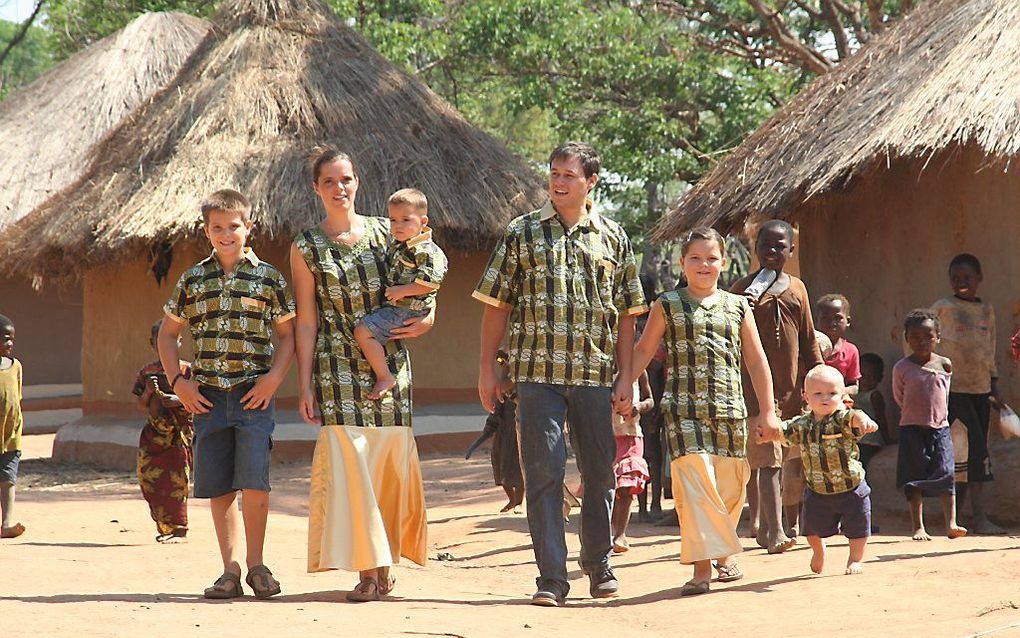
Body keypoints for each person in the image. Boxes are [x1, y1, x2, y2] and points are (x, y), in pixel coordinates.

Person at [474, 141, 647, 607]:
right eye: (554, 173)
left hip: (594, 375)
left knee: (599, 473)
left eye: (569, 175)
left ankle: (598, 563)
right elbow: (496, 306)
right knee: (544, 473)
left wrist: (627, 378)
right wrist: (487, 370)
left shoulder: (614, 237)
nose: (558, 181)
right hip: (535, 376)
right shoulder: (522, 233)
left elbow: (629, 315)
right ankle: (551, 577)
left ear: (591, 181)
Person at [292, 147, 433, 603]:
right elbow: (307, 320)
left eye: (346, 179)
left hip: (389, 361)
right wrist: (304, 382)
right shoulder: (306, 247)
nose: (340, 188)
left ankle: (383, 564)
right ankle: (368, 572)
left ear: (357, 182)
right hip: (335, 365)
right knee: (352, 467)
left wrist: (428, 319)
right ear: (316, 188)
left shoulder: (386, 231)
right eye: (330, 181)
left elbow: (424, 276)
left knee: (385, 465)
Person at [159, 188, 296, 599]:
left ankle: (258, 566)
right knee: (219, 488)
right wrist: (178, 383)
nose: (225, 234)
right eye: (216, 227)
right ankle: (230, 571)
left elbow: (287, 336)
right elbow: (168, 334)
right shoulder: (193, 279)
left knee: (255, 483)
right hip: (208, 398)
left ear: (248, 227)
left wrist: (273, 379)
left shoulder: (268, 277)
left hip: (254, 395)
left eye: (233, 226)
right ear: (206, 231)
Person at [631, 227, 781, 597]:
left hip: (730, 410)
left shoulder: (738, 306)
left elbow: (757, 360)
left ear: (724, 263)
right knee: (696, 481)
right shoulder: (667, 304)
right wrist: (623, 384)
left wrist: (767, 411)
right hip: (683, 411)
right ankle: (702, 569)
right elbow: (643, 350)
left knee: (731, 487)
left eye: (711, 258)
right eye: (695, 258)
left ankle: (722, 552)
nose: (703, 265)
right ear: (682, 264)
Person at [730, 220, 822, 553]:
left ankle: (777, 524)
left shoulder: (797, 290)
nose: (771, 251)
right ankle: (774, 532)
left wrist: (821, 380)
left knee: (790, 461)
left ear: (791, 251)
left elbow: (809, 340)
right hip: (755, 395)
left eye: (779, 246)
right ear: (755, 250)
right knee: (767, 461)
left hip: (791, 394)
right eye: (765, 245)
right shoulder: (740, 291)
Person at [760, 365, 878, 575]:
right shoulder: (802, 424)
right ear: (806, 398)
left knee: (858, 528)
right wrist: (769, 434)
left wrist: (864, 420)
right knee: (811, 531)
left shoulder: (841, 419)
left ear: (842, 396)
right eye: (818, 394)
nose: (825, 398)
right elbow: (784, 431)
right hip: (818, 490)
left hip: (851, 487)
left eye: (832, 393)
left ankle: (854, 559)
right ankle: (818, 551)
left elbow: (855, 417)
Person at [931, 253, 1005, 535]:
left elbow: (991, 348)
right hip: (951, 391)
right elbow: (923, 339)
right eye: (956, 278)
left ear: (979, 279)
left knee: (977, 450)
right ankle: (956, 517)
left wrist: (994, 385)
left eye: (968, 278)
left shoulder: (986, 310)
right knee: (958, 452)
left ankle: (975, 516)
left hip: (980, 390)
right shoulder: (943, 308)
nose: (961, 283)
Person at [353, 188, 447, 400]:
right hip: (398, 305)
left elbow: (431, 282)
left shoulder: (426, 250)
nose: (398, 226)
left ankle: (385, 376)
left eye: (406, 219)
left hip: (405, 309)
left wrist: (402, 290)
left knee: (362, 333)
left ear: (423, 221)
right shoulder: (400, 244)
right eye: (393, 220)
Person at [893, 309, 967, 541]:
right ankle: (918, 526)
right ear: (907, 338)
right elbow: (899, 396)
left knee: (946, 473)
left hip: (940, 428)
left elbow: (945, 395)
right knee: (913, 478)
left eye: (928, 336)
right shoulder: (902, 368)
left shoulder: (945, 365)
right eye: (915, 337)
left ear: (938, 337)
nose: (921, 341)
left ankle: (951, 523)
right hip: (912, 428)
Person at [135, 319, 193, 543]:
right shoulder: (147, 372)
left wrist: (178, 398)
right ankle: (164, 525)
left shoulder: (188, 370)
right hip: (154, 434)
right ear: (152, 343)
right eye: (157, 340)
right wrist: (149, 393)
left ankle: (180, 528)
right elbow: (141, 403)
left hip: (179, 435)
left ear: (179, 340)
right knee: (148, 477)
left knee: (178, 480)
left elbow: (200, 398)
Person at [611, 370, 653, 553]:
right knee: (609, 486)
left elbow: (650, 399)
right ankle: (611, 528)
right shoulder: (602, 369)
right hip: (606, 436)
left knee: (627, 485)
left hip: (631, 435)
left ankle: (620, 534)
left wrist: (638, 407)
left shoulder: (638, 371)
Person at [482, 350, 524, 513]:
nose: (503, 367)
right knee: (501, 467)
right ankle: (511, 500)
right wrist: (490, 427)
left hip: (518, 433)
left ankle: (519, 501)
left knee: (519, 468)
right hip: (503, 434)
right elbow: (496, 410)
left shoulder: (521, 386)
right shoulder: (502, 388)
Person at [0, 314, 24, 539]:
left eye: (12, 339)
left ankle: (6, 523)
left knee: (8, 479)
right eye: (6, 338)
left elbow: (17, 398)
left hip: (10, 435)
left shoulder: (15, 366)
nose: (10, 343)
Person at [817, 294, 861, 395]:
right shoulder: (808, 347)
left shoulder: (851, 350)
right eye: (825, 318)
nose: (832, 323)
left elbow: (854, 386)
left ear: (848, 321)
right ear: (817, 320)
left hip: (838, 404)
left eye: (838, 318)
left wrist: (837, 392)